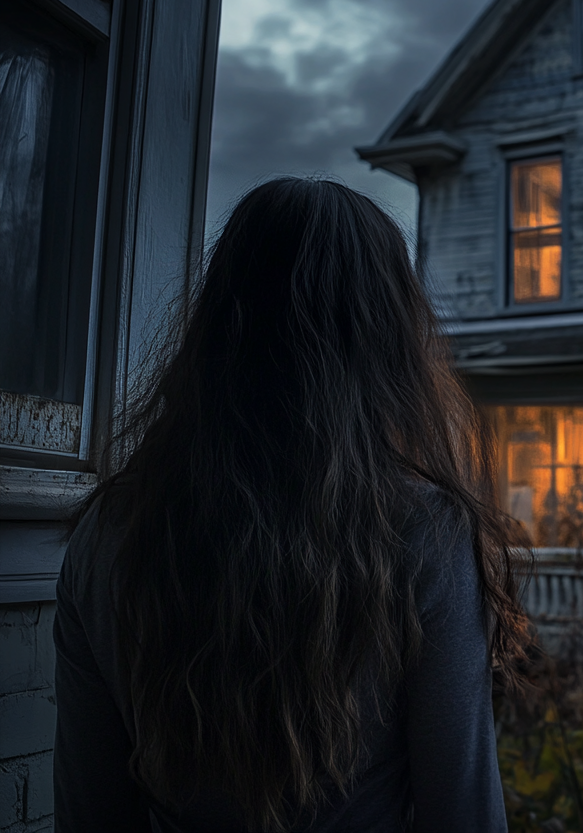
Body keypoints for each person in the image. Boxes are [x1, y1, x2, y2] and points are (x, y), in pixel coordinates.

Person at [53, 177, 529, 832]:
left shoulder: (110, 532)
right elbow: (464, 809)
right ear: (386, 341)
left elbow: (88, 809)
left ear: (219, 325)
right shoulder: (423, 533)